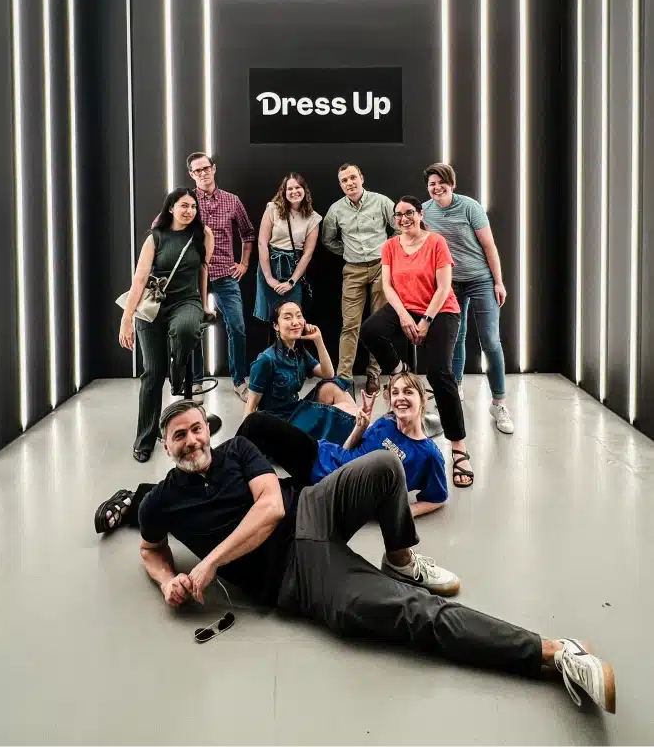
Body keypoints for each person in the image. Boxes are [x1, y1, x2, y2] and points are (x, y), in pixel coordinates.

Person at [93, 399, 616, 717]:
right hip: (296, 576)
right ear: (166, 446)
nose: (192, 440)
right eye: (179, 436)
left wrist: (208, 564)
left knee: (385, 464)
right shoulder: (161, 503)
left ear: (208, 430)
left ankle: (400, 557)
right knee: (415, 612)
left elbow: (272, 507)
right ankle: (555, 652)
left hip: (309, 508)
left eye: (196, 429)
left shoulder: (237, 451)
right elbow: (151, 550)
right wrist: (166, 580)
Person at [360, 196, 474, 489]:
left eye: (409, 213)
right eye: (398, 215)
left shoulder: (436, 242)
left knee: (439, 373)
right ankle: (400, 371)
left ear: (420, 214)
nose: (403, 219)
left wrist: (426, 320)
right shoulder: (390, 246)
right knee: (371, 330)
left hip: (441, 310)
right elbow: (388, 287)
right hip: (406, 308)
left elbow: (444, 287)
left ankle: (459, 447)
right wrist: (403, 316)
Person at [238, 371, 447, 517]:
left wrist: (403, 512)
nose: (400, 398)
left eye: (408, 392)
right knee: (257, 423)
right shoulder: (386, 423)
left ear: (422, 400)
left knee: (265, 496)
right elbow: (348, 450)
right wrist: (359, 428)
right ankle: (225, 469)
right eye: (395, 393)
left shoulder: (429, 454)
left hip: (339, 490)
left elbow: (437, 498)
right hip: (321, 458)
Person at [119, 188, 214, 462]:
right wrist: (127, 318)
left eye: (193, 207)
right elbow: (139, 279)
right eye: (184, 206)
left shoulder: (203, 235)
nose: (189, 211)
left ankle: (177, 369)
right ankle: (145, 440)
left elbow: (203, 270)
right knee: (152, 374)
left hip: (187, 301)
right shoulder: (155, 237)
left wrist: (204, 304)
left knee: (185, 330)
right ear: (171, 208)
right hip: (153, 306)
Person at [422, 163, 514, 434]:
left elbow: (489, 246)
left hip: (480, 279)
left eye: (441, 182)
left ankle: (499, 403)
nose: (437, 187)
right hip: (450, 283)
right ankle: (456, 387)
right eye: (431, 184)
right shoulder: (425, 211)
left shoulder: (470, 207)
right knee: (456, 337)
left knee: (490, 341)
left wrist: (498, 281)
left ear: (451, 183)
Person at [186, 152, 255, 403]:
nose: (203, 173)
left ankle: (239, 381)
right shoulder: (187, 201)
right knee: (193, 329)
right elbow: (161, 226)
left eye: (206, 168)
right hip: (195, 276)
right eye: (197, 170)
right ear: (191, 174)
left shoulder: (232, 200)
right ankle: (195, 381)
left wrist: (244, 263)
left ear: (213, 168)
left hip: (226, 274)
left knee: (237, 327)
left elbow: (248, 233)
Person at [321, 163, 394, 396]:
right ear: (340, 185)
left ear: (361, 178)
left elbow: (399, 228)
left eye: (353, 177)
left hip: (381, 268)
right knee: (350, 325)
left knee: (378, 324)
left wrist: (389, 251)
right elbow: (328, 239)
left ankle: (374, 373)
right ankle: (344, 377)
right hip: (352, 270)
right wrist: (348, 252)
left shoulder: (381, 202)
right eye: (344, 180)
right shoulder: (335, 210)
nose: (349, 183)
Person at [245, 300, 358, 445]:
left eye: (299, 316)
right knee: (342, 411)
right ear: (276, 326)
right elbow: (251, 405)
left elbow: (328, 374)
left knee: (333, 386)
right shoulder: (265, 360)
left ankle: (361, 427)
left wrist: (318, 340)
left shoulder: (299, 352)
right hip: (279, 424)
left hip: (295, 409)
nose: (295, 322)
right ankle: (363, 432)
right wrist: (245, 444)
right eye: (287, 317)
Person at [254, 174, 321, 322]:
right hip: (270, 265)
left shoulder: (313, 218)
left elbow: (307, 254)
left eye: (298, 187)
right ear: (284, 192)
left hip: (293, 268)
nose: (294, 191)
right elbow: (262, 243)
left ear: (304, 190)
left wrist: (292, 281)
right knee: (272, 318)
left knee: (293, 316)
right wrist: (269, 278)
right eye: (290, 188)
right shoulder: (273, 209)